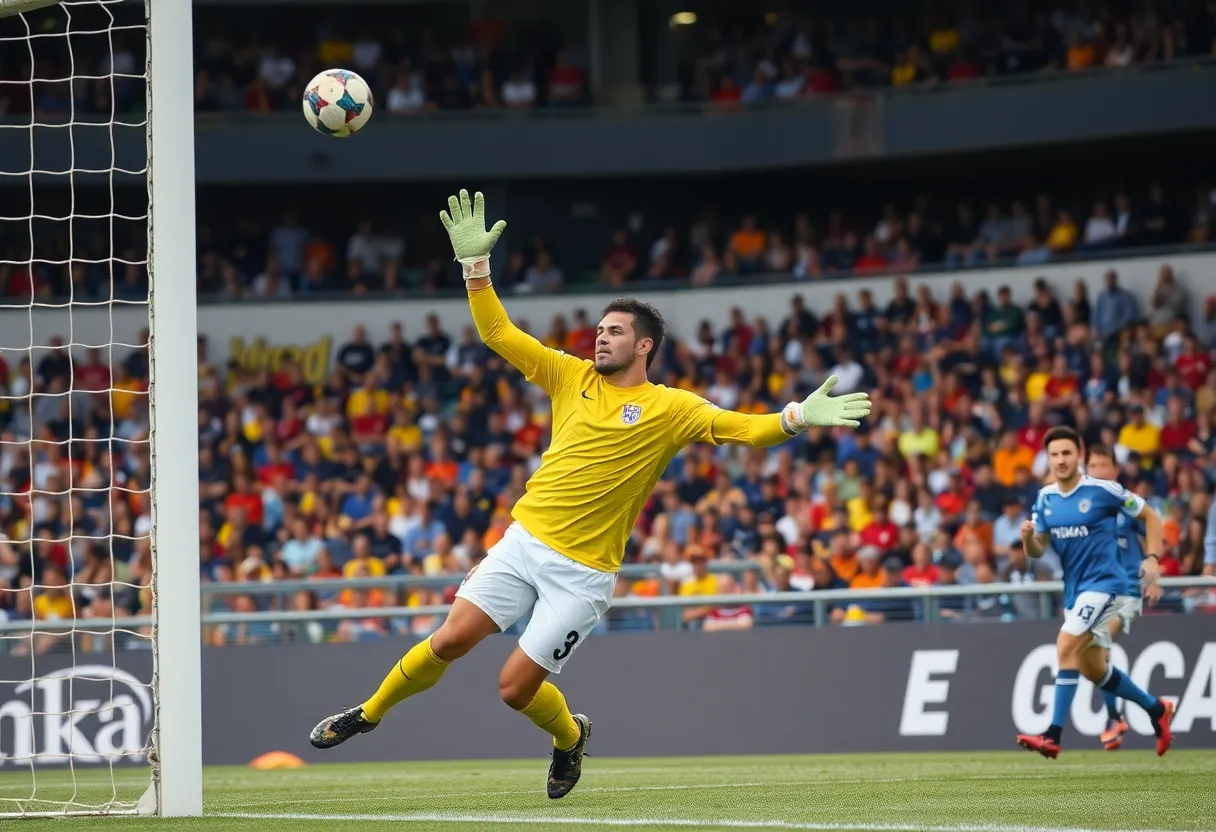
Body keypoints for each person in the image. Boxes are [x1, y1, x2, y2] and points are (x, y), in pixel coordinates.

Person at [309, 190, 871, 798]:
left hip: (583, 576)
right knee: (448, 639)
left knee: (513, 689)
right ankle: (366, 714)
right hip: (524, 544)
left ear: (645, 345)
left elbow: (745, 430)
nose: (600, 339)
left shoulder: (670, 408)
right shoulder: (568, 375)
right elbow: (498, 332)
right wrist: (476, 268)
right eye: (599, 330)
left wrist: (795, 416)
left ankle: (569, 737)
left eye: (615, 332)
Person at [1016, 427, 1173, 759]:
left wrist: (1153, 559)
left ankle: (1053, 735)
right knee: (1092, 667)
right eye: (1055, 454)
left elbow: (1150, 515)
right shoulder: (1045, 498)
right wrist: (1028, 538)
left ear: (1079, 455)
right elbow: (1037, 549)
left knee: (1064, 644)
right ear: (1048, 458)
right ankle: (1155, 708)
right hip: (1075, 593)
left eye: (1066, 453)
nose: (1060, 460)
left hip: (1108, 587)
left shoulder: (1103, 491)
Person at [1083, 444, 1161, 751]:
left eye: (1104, 465)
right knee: (1097, 655)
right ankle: (1146, 709)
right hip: (1096, 592)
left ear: (1115, 471)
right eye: (1093, 465)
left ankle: (1115, 717)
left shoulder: (1127, 503)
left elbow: (1152, 529)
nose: (1099, 471)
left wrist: (1155, 570)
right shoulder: (1083, 508)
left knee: (1097, 641)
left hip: (1127, 590)